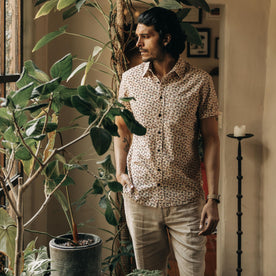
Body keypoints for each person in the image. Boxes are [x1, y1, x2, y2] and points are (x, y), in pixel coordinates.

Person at [114, 7, 220, 276]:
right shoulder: (129, 80)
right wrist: (120, 172)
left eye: (145, 37)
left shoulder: (200, 82)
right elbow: (122, 131)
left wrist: (213, 199)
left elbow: (211, 139)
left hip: (186, 201)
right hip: (140, 198)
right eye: (138, 37)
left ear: (167, 38)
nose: (138, 44)